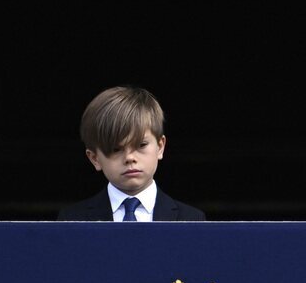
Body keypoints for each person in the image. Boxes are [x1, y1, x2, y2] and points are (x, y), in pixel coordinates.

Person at [57, 85, 206, 221]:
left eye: (141, 145)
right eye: (115, 149)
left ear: (160, 147)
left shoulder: (192, 219)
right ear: (95, 158)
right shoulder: (71, 220)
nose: (129, 158)